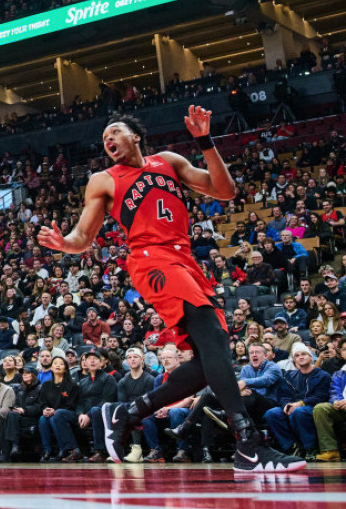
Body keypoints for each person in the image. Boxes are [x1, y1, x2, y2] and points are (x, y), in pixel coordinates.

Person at [38, 108, 304, 472]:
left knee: (212, 355)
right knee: (211, 337)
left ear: (135, 135)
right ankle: (249, 443)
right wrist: (62, 242)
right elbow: (83, 237)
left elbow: (225, 191)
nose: (108, 141)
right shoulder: (104, 179)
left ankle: (129, 413)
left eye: (114, 132)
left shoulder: (169, 161)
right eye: (104, 139)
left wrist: (204, 142)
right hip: (151, 260)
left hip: (186, 259)